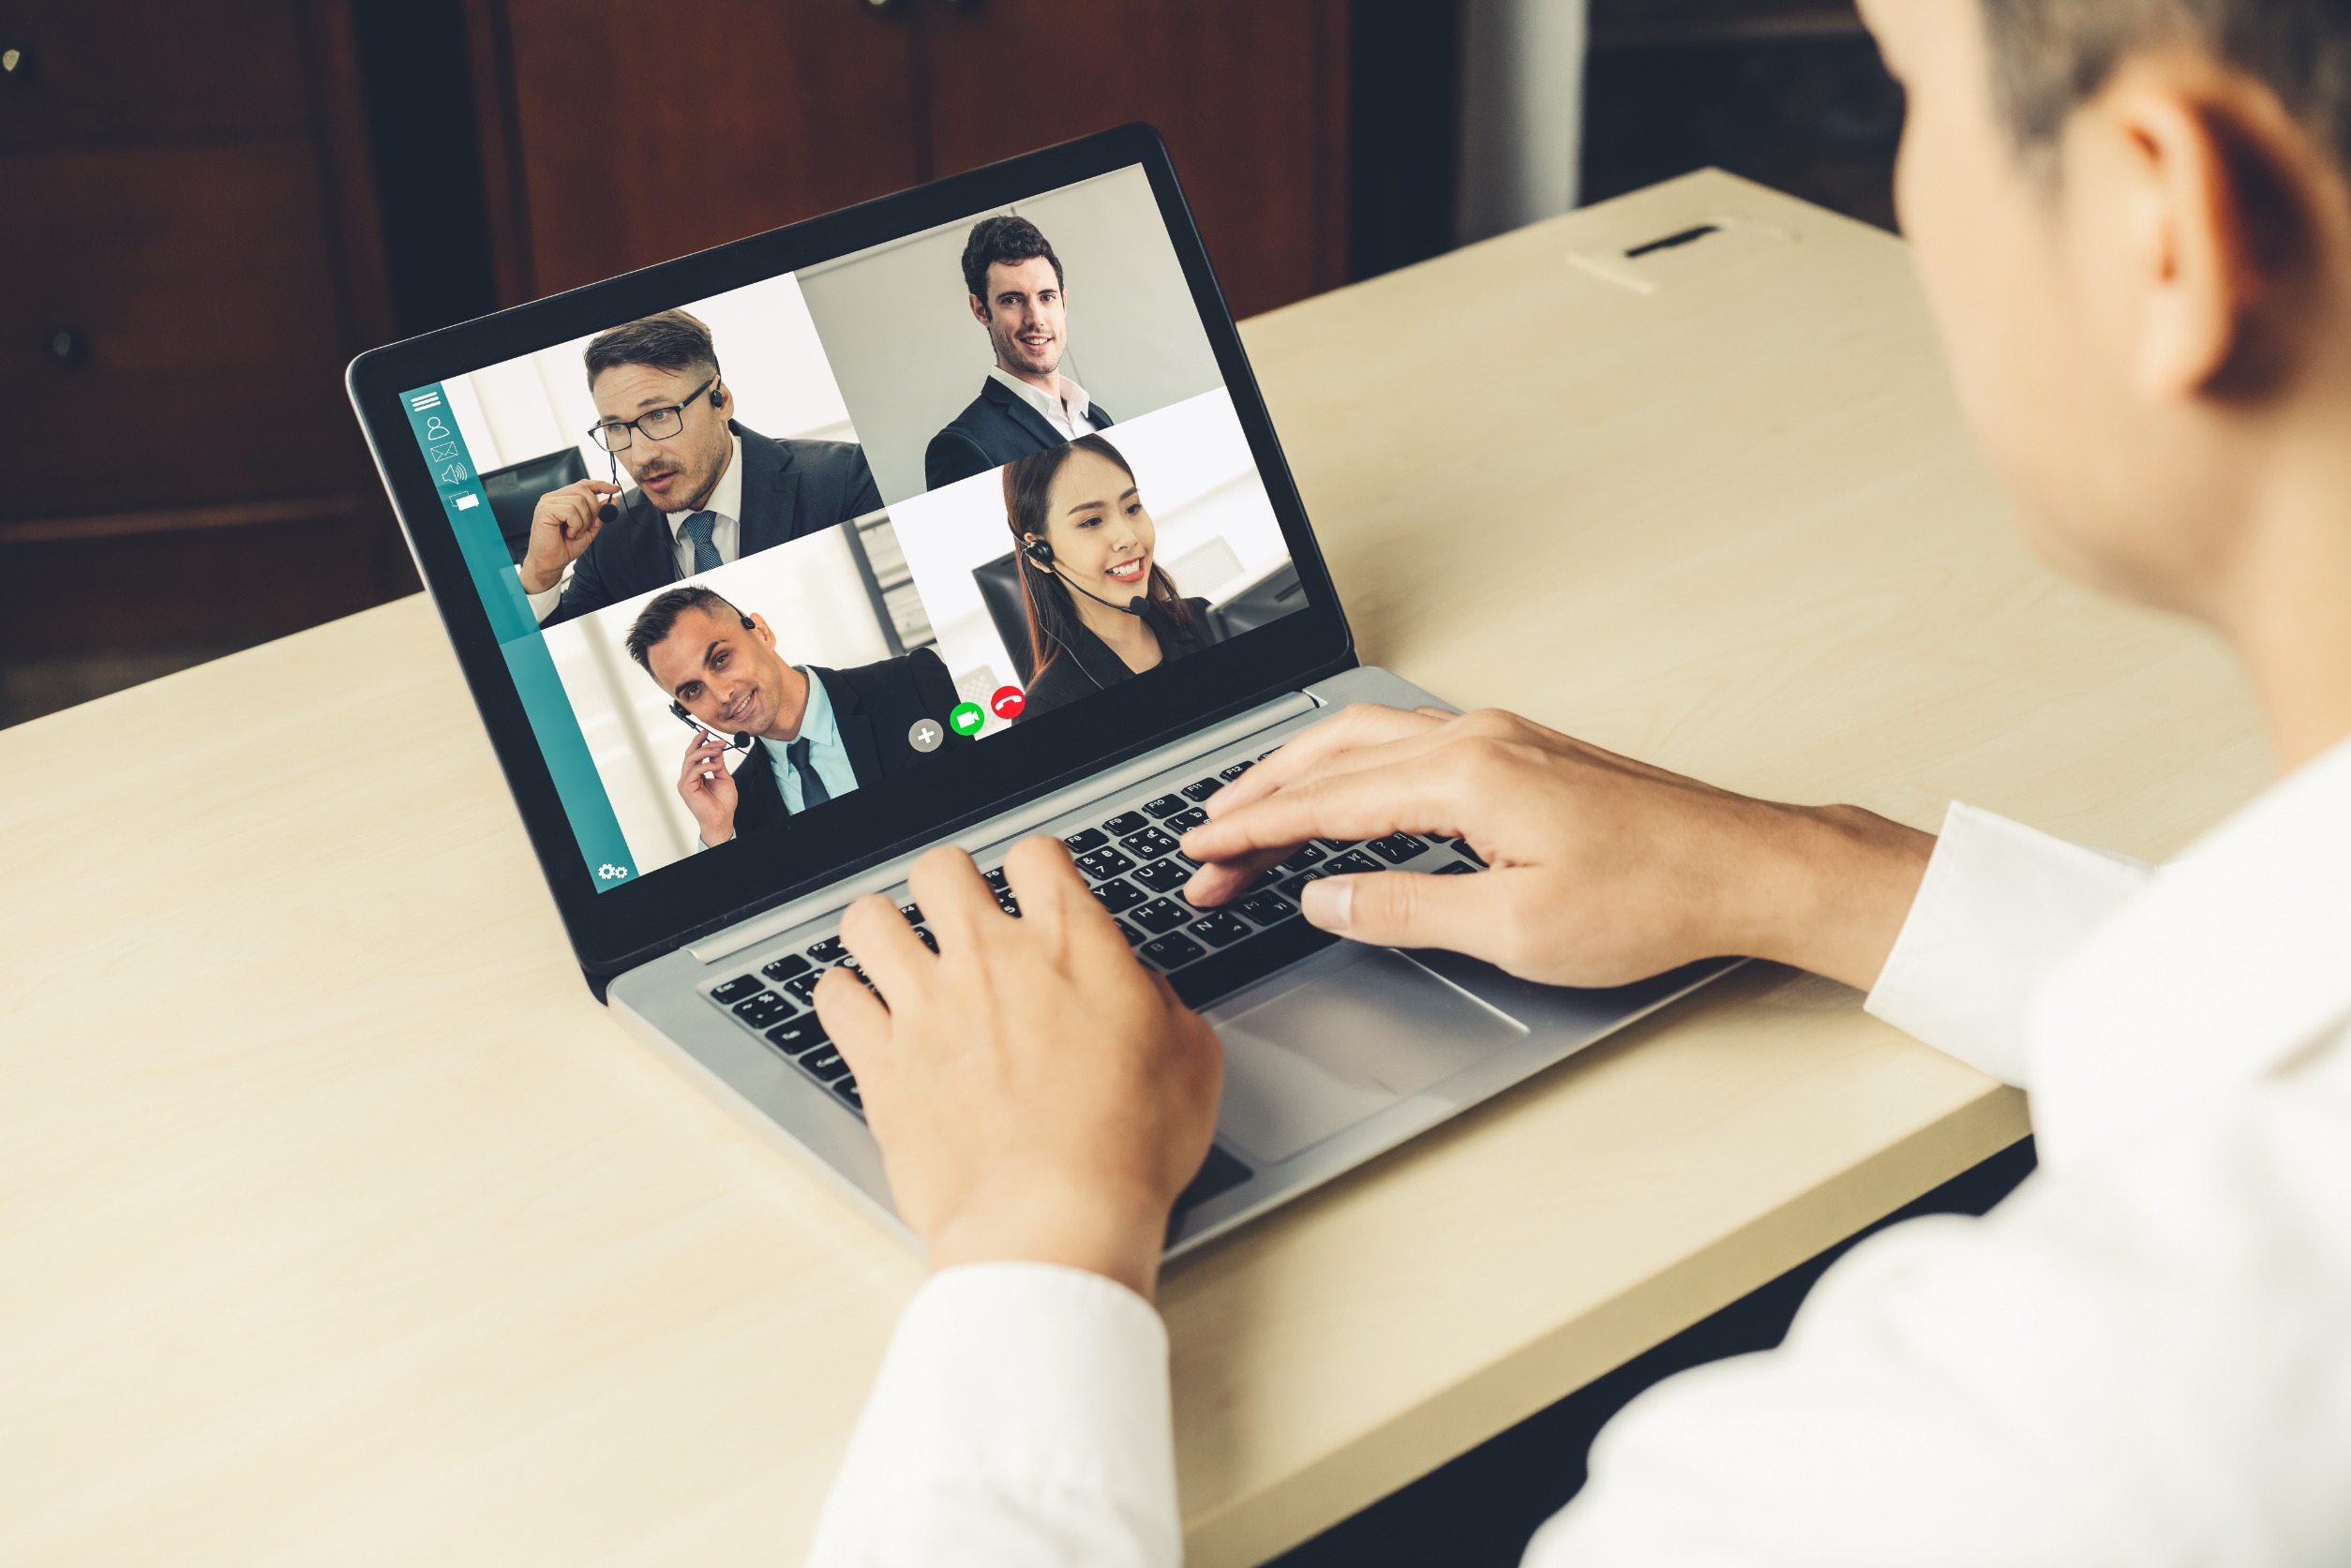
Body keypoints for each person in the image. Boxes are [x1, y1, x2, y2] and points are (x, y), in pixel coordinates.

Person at [807, 0, 2351, 1562]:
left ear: (2163, 228)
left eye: (1907, 93)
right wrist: (1808, 867)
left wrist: (1034, 1236)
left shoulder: (1999, 1470)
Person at [521, 310, 883, 627]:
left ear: (720, 400)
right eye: (616, 427)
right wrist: (541, 575)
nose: (641, 456)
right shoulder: (608, 541)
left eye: (659, 415)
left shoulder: (844, 478)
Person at [624, 585, 967, 848]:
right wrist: (716, 836)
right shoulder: (734, 808)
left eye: (720, 659)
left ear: (761, 632)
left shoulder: (913, 682)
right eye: (693, 691)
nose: (722, 694)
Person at [999, 434, 1220, 723]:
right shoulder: (1045, 709)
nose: (1127, 538)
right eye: (1092, 521)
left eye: (1132, 508)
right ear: (1040, 554)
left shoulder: (1205, 619)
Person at [924, 216, 1115, 490]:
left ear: (1064, 302)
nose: (1036, 319)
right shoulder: (963, 446)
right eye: (1012, 300)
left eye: (1046, 297)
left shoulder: (1092, 414)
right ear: (980, 310)